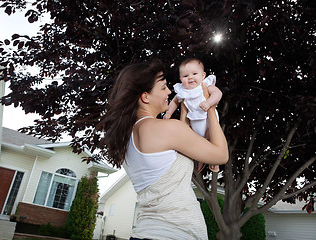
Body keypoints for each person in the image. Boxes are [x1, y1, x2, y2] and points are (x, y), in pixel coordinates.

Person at [97, 60, 228, 240]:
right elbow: (221, 155)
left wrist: (183, 115)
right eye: (163, 87)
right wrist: (210, 107)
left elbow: (174, 164)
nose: (169, 92)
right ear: (145, 97)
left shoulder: (127, 138)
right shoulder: (166, 129)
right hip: (174, 234)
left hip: (145, 232)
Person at [164, 58, 222, 173]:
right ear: (181, 79)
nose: (190, 77)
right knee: (196, 142)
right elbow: (174, 102)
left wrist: (208, 103)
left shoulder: (205, 85)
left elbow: (218, 93)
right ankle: (200, 159)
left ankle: (214, 161)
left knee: (211, 139)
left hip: (207, 120)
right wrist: (168, 112)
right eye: (185, 76)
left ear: (203, 75)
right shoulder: (182, 91)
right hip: (193, 123)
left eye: (194, 74)